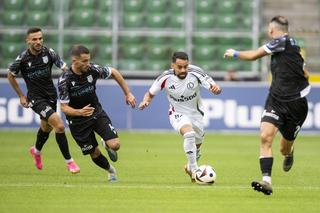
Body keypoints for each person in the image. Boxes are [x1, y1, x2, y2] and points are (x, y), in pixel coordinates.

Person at [224, 16, 311, 195]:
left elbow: (254, 55)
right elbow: (305, 73)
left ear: (272, 30)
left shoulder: (281, 41)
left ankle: (290, 151)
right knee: (265, 136)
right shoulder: (294, 45)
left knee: (283, 148)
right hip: (276, 100)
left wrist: (234, 53)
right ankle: (267, 181)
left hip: (295, 104)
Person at [138, 51, 221, 182]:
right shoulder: (165, 78)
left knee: (197, 146)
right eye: (180, 67)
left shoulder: (196, 72)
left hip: (196, 114)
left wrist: (216, 89)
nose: (183, 70)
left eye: (185, 66)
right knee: (189, 134)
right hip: (177, 113)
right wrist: (145, 101)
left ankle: (189, 166)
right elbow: (149, 93)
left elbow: (214, 87)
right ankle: (194, 170)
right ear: (173, 65)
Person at [58, 45, 136, 182]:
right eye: (84, 61)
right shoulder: (65, 80)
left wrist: (128, 93)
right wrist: (79, 112)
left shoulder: (92, 70)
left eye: (89, 60)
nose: (88, 64)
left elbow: (113, 72)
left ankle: (107, 144)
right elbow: (64, 107)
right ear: (74, 61)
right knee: (93, 152)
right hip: (77, 122)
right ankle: (111, 171)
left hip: (96, 113)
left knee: (115, 145)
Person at [7, 27, 80, 174]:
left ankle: (36, 150)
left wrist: (73, 77)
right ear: (28, 41)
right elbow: (10, 75)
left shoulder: (49, 53)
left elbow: (64, 68)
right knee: (59, 126)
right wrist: (21, 96)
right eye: (34, 39)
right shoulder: (22, 59)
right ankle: (70, 162)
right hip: (36, 98)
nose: (38, 41)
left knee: (46, 128)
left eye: (40, 38)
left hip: (51, 96)